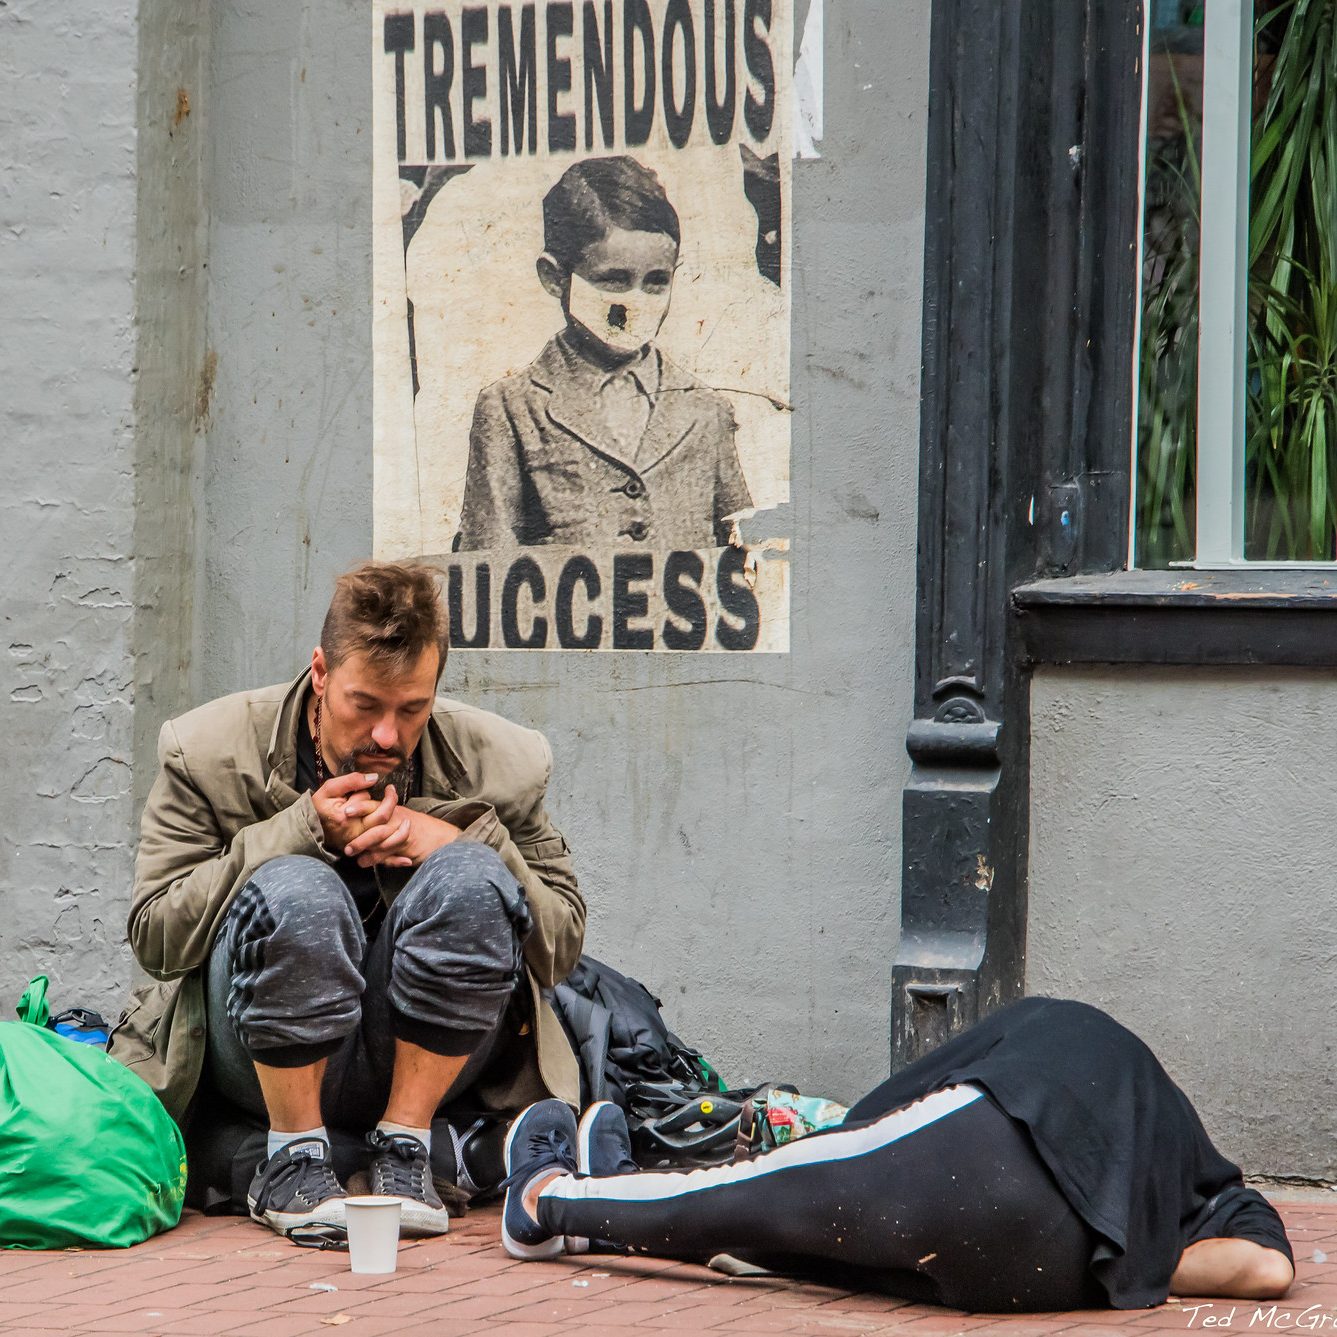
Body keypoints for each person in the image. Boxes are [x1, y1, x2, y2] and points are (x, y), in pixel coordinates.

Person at [109, 561, 585, 1241]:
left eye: (412, 708)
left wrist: (460, 838)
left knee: (472, 876)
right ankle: (294, 1158)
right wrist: (295, 832)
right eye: (365, 703)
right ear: (321, 672)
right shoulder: (208, 749)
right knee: (298, 889)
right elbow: (155, 937)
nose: (387, 735)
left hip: (423, 1061)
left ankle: (406, 1149)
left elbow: (560, 945)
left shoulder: (504, 761)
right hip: (257, 1060)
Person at [499, 998, 1295, 1313]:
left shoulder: (1058, 1029)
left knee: (755, 1183)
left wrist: (826, 1150)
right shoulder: (1212, 1184)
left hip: (989, 1151)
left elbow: (889, 1113)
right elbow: (1265, 1273)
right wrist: (1130, 1262)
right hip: (1040, 1277)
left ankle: (546, 1201)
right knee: (838, 1242)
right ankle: (623, 1217)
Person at [454, 155, 753, 552]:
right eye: (613, 281)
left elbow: (742, 558)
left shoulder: (706, 409)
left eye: (656, 282)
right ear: (554, 277)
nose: (636, 303)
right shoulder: (510, 407)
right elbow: (487, 573)